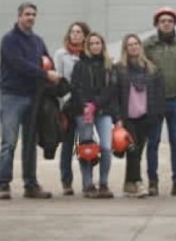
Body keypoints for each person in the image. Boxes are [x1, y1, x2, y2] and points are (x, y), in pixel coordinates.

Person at [0, 1, 61, 200]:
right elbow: (19, 65)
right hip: (12, 97)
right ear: (19, 16)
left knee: (30, 144)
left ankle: (30, 185)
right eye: (27, 14)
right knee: (9, 142)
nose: (31, 17)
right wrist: (45, 74)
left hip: (34, 98)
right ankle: (3, 184)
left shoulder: (38, 42)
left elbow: (47, 61)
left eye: (33, 14)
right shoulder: (9, 40)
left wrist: (51, 75)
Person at [143, 6, 176, 196]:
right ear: (157, 24)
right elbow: (139, 69)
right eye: (162, 21)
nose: (166, 24)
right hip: (154, 103)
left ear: (174, 24)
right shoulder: (148, 45)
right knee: (153, 143)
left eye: (170, 21)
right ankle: (152, 182)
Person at [69, 32, 119, 198]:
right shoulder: (80, 66)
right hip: (84, 112)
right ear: (87, 46)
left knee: (105, 147)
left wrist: (95, 104)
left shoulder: (110, 66)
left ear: (102, 46)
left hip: (103, 111)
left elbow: (111, 90)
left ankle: (103, 183)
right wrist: (84, 105)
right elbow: (75, 88)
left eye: (98, 43)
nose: (95, 46)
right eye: (92, 43)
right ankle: (88, 184)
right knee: (86, 148)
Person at [116, 33, 166, 197]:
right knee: (133, 150)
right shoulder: (119, 69)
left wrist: (157, 115)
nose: (134, 46)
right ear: (125, 48)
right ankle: (137, 182)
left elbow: (159, 93)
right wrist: (117, 118)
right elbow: (115, 94)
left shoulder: (152, 68)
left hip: (146, 116)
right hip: (128, 117)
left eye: (136, 43)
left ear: (140, 46)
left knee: (138, 150)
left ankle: (128, 184)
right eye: (130, 44)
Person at [53, 20, 90, 196]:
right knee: (67, 145)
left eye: (79, 32)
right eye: (73, 32)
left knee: (84, 144)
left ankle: (87, 181)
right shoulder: (61, 54)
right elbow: (57, 79)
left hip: (83, 106)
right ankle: (66, 181)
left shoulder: (88, 55)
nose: (75, 34)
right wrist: (62, 101)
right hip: (67, 105)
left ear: (85, 36)